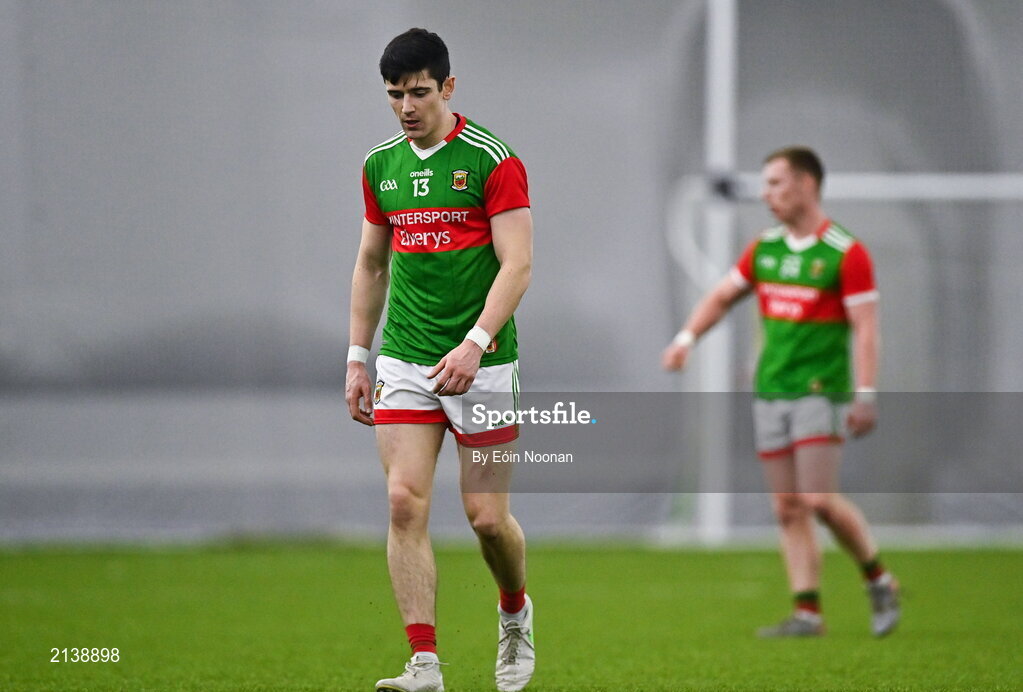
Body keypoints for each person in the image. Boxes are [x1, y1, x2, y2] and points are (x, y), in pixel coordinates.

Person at [346, 28, 535, 692]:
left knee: (486, 517)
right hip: (405, 357)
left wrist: (475, 342)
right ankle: (423, 662)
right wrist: (356, 356)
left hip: (481, 360)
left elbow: (518, 263)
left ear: (447, 87)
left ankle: (513, 611)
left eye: (418, 92)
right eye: (395, 94)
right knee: (402, 501)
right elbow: (371, 265)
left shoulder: (491, 159)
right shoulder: (380, 166)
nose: (405, 106)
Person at [661, 146, 900, 638]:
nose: (766, 193)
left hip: (820, 392)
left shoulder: (844, 252)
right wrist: (687, 339)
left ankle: (879, 579)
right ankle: (807, 612)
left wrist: (867, 393)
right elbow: (723, 296)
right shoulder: (764, 248)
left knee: (818, 500)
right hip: (770, 390)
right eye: (765, 184)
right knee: (787, 506)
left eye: (775, 183)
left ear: (806, 185)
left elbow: (867, 329)